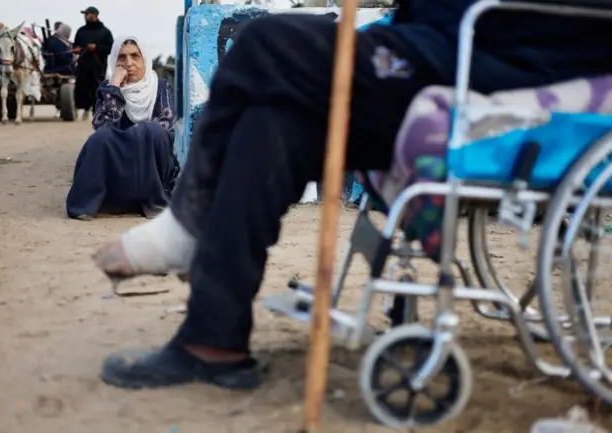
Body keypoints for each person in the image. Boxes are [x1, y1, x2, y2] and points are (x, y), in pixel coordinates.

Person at [91, 1, 612, 390]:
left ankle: (186, 229)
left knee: (264, 42)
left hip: (496, 52)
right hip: (439, 39)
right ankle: (213, 337)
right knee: (273, 123)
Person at [66, 35, 180, 221]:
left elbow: (166, 124)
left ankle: (151, 200)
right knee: (100, 139)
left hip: (151, 162)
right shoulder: (107, 87)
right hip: (117, 162)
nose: (128, 62)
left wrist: (136, 134)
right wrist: (115, 87)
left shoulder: (160, 86)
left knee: (153, 132)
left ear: (145, 59)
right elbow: (103, 126)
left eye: (135, 56)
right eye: (122, 57)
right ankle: (87, 204)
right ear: (114, 61)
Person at [73, 6, 114, 120]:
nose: (85, 16)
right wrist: (77, 49)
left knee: (97, 89)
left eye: (87, 14)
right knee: (82, 88)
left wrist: (97, 48)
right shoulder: (81, 31)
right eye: (85, 14)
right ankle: (84, 109)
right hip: (83, 65)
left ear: (95, 15)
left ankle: (97, 112)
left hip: (98, 67)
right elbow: (76, 45)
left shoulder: (105, 31)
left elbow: (110, 48)